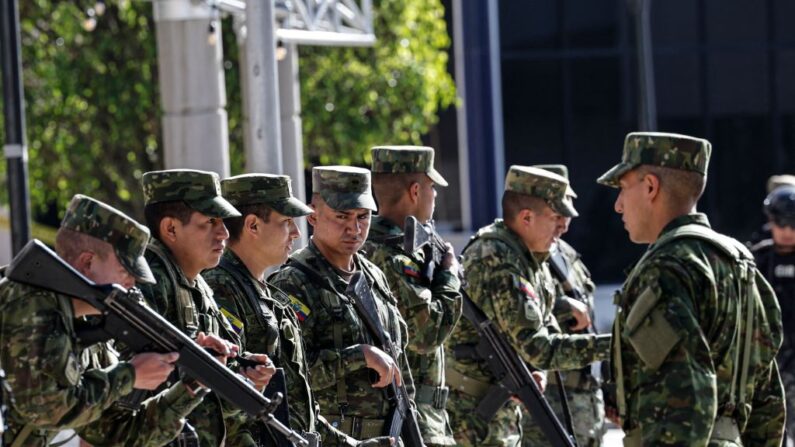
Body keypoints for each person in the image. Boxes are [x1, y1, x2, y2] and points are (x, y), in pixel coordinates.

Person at [598, 131, 786, 446]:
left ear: (649, 187)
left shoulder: (666, 268)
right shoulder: (740, 265)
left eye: (622, 189)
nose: (617, 205)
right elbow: (767, 399)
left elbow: (686, 396)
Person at [0, 194, 189, 446]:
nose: (131, 285)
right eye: (125, 271)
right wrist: (130, 375)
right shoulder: (28, 303)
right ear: (87, 262)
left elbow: (113, 433)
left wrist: (191, 387)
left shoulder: (86, 325)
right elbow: (46, 409)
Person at [446, 166, 610, 447]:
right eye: (557, 217)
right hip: (472, 420)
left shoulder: (528, 257)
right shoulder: (497, 258)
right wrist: (615, 345)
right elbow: (539, 347)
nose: (565, 226)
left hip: (497, 414)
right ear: (526, 217)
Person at [269, 166, 412, 445]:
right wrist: (360, 356)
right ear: (313, 215)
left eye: (363, 216)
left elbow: (400, 360)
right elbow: (290, 377)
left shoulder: (373, 276)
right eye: (342, 216)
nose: (354, 228)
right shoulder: (293, 282)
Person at [138, 169, 276, 446]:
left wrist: (246, 375)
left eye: (222, 221)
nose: (224, 232)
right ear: (171, 229)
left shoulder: (198, 284)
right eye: (210, 221)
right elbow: (136, 387)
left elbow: (214, 401)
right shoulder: (150, 281)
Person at [203, 173, 321, 445]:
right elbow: (228, 406)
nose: (297, 233)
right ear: (253, 225)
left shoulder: (267, 294)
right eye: (286, 222)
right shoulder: (221, 286)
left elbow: (295, 404)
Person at [364, 146, 463, 447]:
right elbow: (425, 334)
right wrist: (449, 277)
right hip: (412, 421)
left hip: (424, 416)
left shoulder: (389, 248)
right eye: (432, 187)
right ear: (416, 191)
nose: (436, 195)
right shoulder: (392, 257)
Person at [519, 164, 605, 447]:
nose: (565, 220)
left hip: (587, 399)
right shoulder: (521, 255)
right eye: (557, 211)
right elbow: (520, 312)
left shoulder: (568, 255)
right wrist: (562, 306)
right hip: (552, 400)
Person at [751, 184, 795, 445]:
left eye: (793, 225)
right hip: (767, 363)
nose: (788, 233)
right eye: (782, 225)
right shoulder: (757, 259)